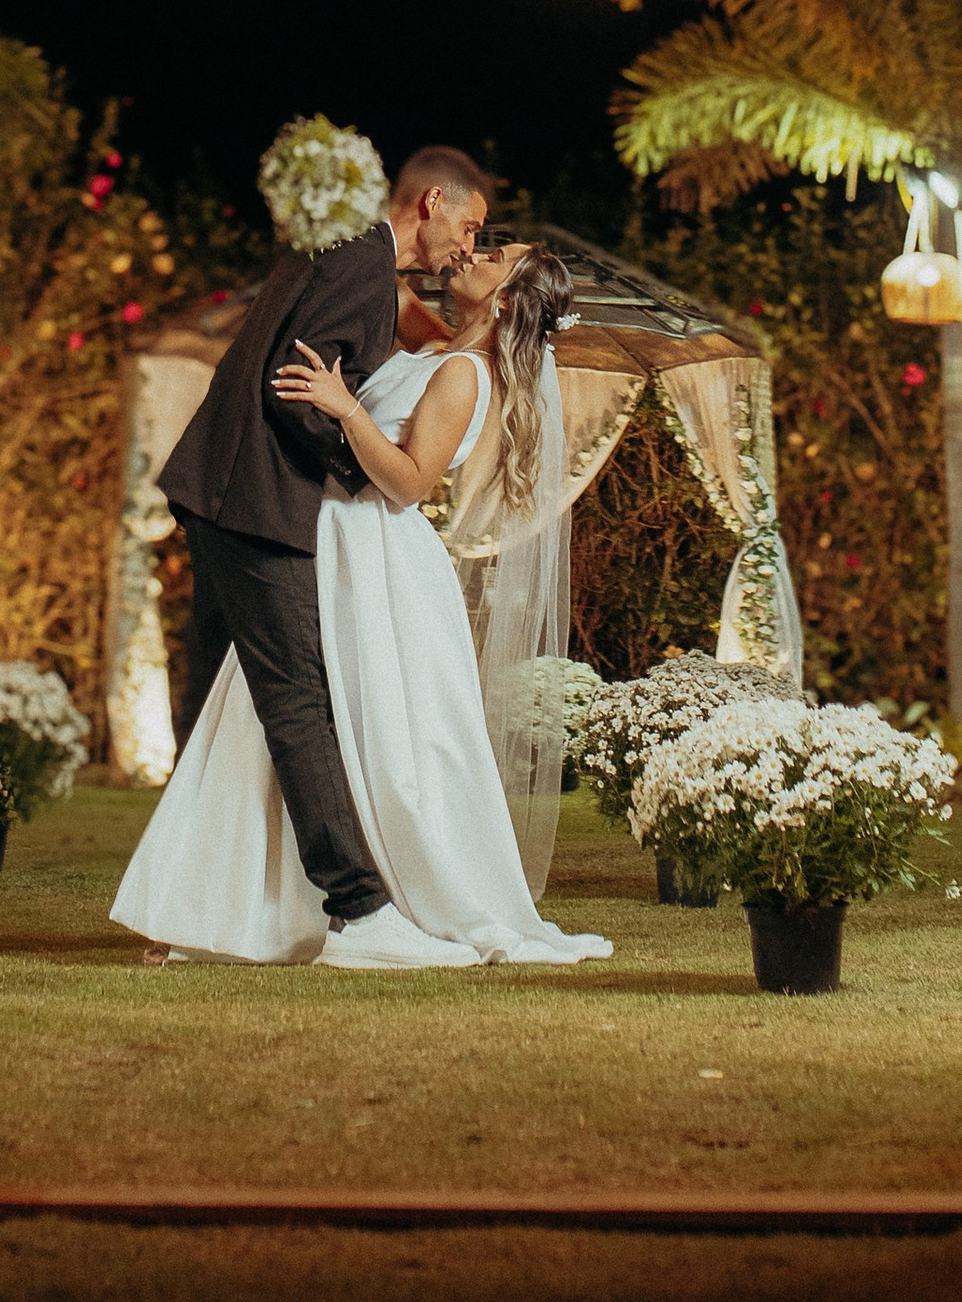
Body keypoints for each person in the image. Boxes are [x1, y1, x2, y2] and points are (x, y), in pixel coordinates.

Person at [114, 236, 613, 970]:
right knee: (277, 717)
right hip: (332, 540)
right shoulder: (436, 343)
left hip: (376, 557)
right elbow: (372, 272)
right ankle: (226, 911)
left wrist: (347, 409)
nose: (474, 254)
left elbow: (409, 481)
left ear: (505, 298)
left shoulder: (466, 374)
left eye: (492, 254)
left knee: (357, 724)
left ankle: (372, 901)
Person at [152, 145, 488, 971]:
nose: (468, 247)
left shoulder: (348, 253)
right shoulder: (363, 263)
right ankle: (359, 910)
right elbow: (295, 388)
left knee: (229, 713)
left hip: (225, 495)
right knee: (300, 704)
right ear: (432, 201)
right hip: (258, 504)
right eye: (469, 225)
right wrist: (366, 480)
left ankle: (198, 914)